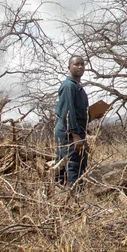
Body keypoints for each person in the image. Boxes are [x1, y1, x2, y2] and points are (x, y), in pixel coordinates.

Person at [54, 55, 89, 187]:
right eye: (76, 64)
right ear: (69, 67)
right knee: (73, 165)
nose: (80, 66)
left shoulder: (77, 87)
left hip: (76, 131)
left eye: (82, 64)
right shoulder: (69, 86)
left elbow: (78, 113)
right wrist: (75, 135)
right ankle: (75, 199)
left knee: (68, 165)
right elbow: (67, 113)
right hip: (69, 134)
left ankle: (62, 198)